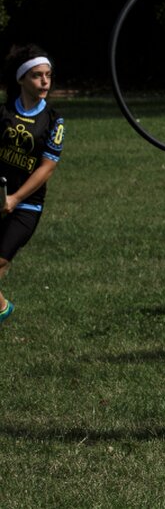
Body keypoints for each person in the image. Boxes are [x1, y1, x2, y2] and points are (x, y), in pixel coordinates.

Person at [0, 45, 64, 328]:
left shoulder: (53, 120)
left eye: (48, 75)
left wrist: (14, 199)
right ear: (22, 79)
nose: (45, 82)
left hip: (27, 204)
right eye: (37, 76)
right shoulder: (2, 113)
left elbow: (47, 167)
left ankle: (2, 309)